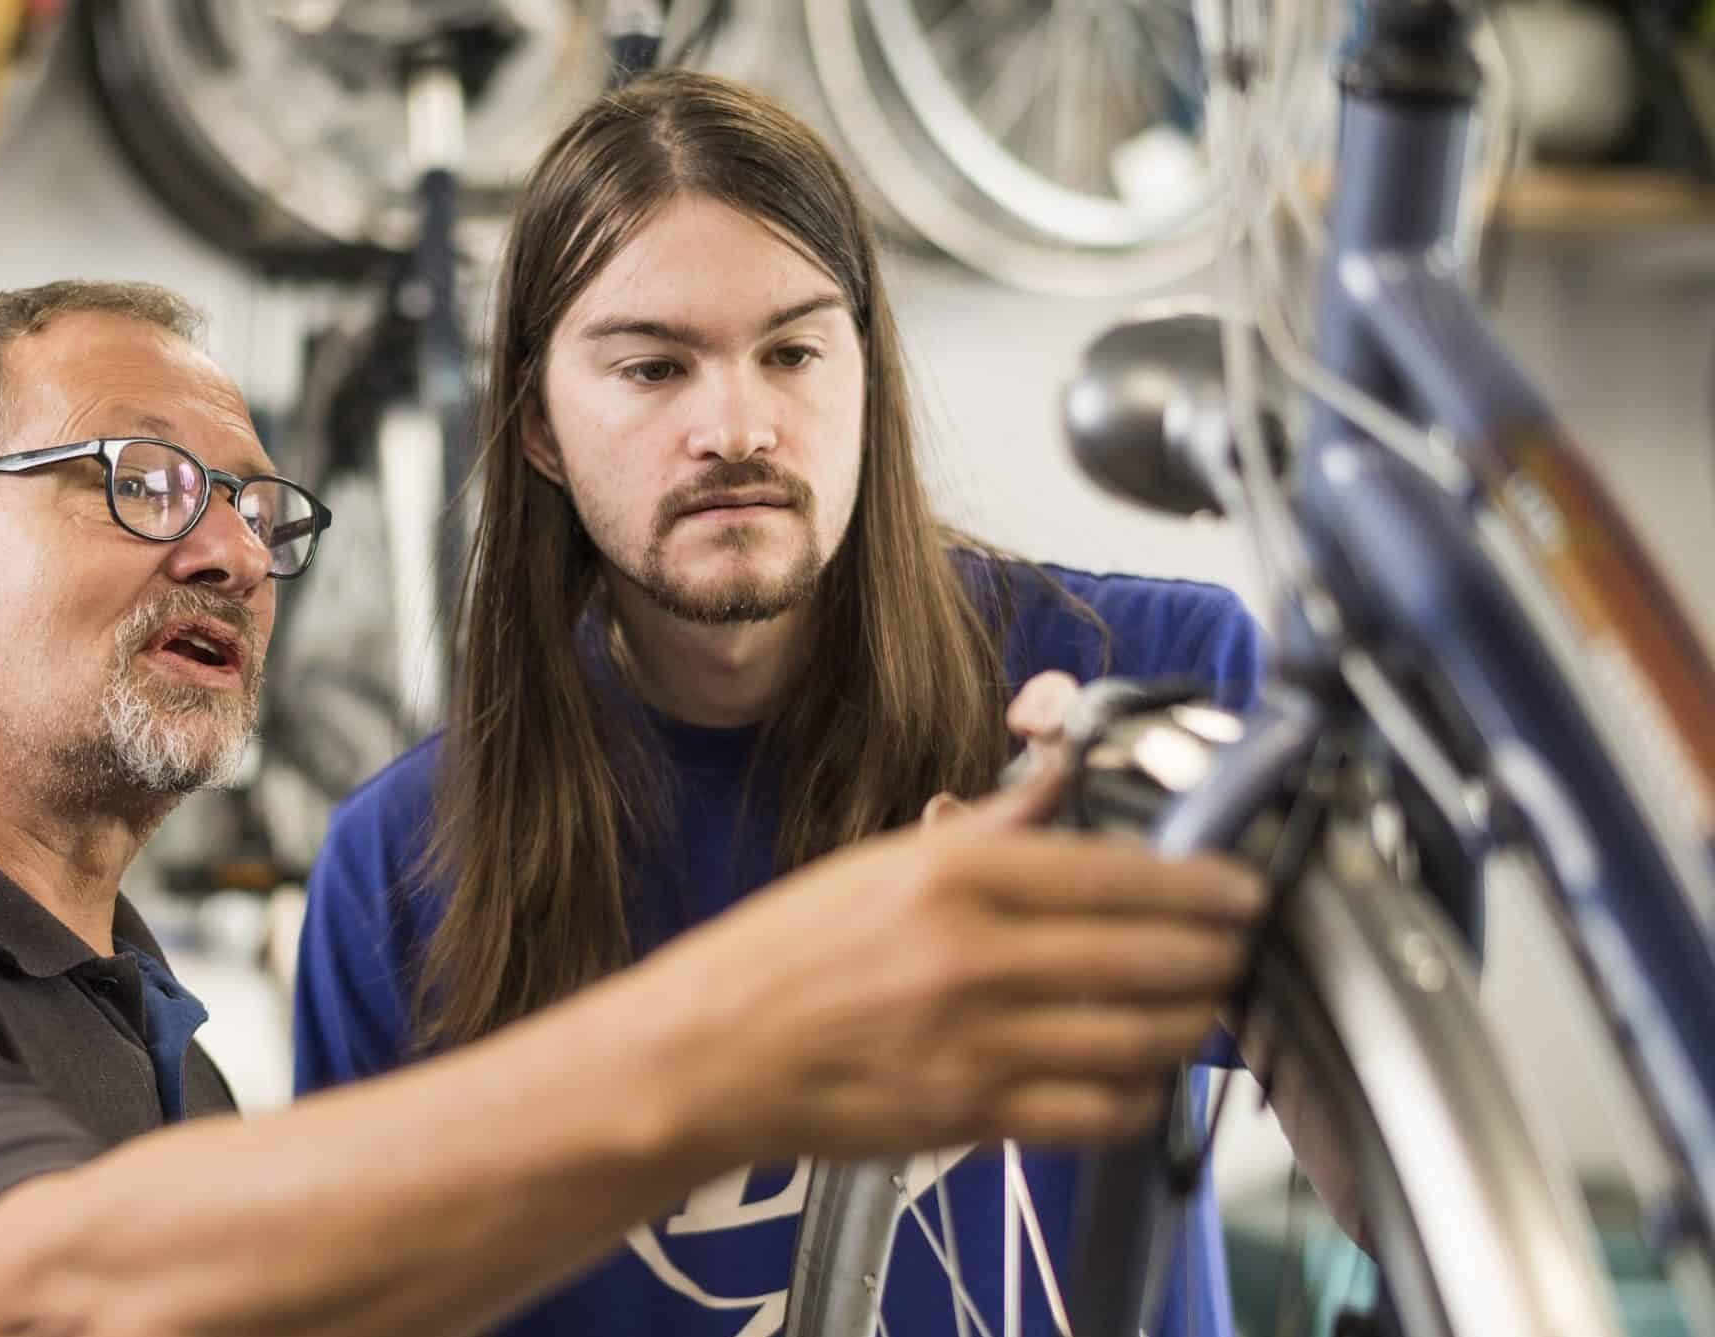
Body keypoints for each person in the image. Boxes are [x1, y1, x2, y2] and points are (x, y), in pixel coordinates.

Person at [0, 279, 1261, 1337]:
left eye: (260, 513)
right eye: (141, 482)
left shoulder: (154, 1056)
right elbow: (62, 1298)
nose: (225, 549)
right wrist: (784, 1021)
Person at [292, 70, 1268, 1337]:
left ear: (867, 373)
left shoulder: (1137, 682)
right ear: (536, 423)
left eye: (795, 352)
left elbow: (1382, 1163)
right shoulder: (401, 867)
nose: (737, 427)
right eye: (652, 368)